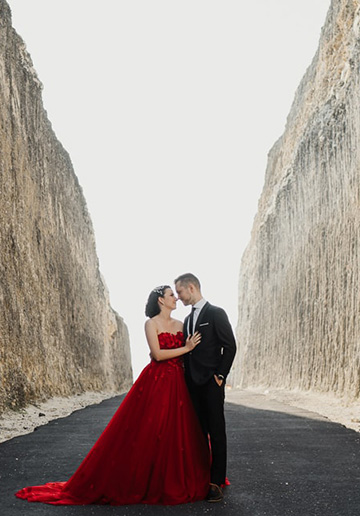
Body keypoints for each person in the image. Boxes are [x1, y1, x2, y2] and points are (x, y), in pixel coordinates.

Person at [15, 285, 210, 506]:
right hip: (157, 382)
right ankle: (146, 481)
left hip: (179, 382)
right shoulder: (151, 324)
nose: (176, 298)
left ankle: (172, 480)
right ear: (160, 300)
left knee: (178, 431)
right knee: (150, 430)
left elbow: (188, 353)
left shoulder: (182, 325)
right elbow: (157, 354)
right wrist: (186, 348)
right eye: (171, 295)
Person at [174, 273, 237, 503]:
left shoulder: (216, 313)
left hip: (211, 383)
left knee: (216, 432)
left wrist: (220, 376)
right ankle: (200, 476)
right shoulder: (187, 319)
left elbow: (230, 346)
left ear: (191, 287)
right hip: (191, 384)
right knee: (198, 433)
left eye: (180, 292)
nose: (179, 297)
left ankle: (216, 482)